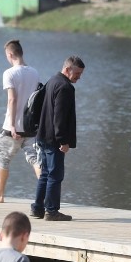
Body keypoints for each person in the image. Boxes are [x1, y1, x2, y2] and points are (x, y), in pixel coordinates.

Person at [0, 39, 41, 203]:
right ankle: (45, 194)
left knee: (3, 159)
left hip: (13, 127)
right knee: (35, 160)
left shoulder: (9, 73)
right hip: (30, 126)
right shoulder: (34, 72)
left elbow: (12, 99)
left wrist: (10, 124)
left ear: (10, 54)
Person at [30, 55, 85, 222]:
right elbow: (59, 117)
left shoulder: (52, 81)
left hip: (42, 135)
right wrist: (63, 141)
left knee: (45, 173)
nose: (79, 77)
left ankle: (38, 208)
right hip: (54, 139)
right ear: (67, 69)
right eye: (77, 73)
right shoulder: (65, 87)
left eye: (81, 74)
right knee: (55, 175)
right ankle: (52, 211)